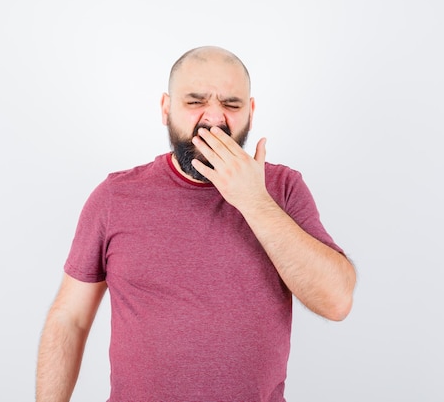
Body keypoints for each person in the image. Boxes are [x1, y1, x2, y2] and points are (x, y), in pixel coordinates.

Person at [36, 46, 356, 402]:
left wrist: (254, 201)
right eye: (195, 101)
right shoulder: (114, 197)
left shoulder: (282, 188)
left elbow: (337, 301)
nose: (214, 118)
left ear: (250, 112)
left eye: (231, 105)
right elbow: (69, 320)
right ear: (166, 108)